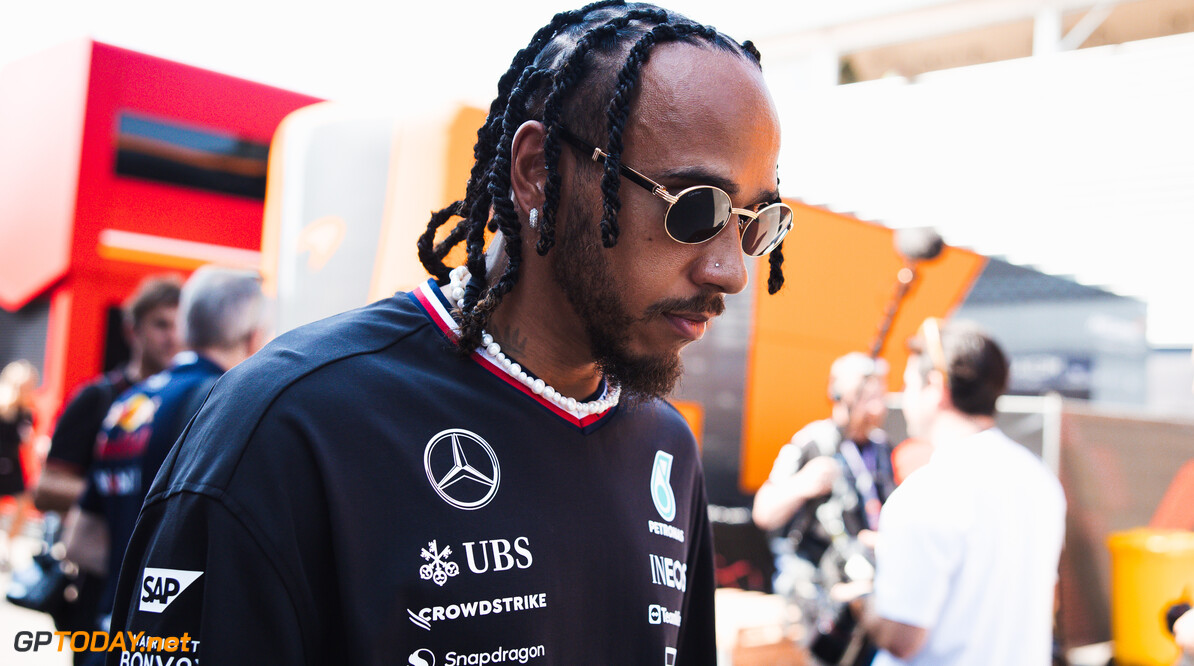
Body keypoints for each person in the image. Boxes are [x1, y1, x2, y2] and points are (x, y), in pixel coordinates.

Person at [105, 3, 794, 663]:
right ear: (538, 174)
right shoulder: (291, 428)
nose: (731, 270)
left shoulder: (666, 446)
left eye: (756, 222)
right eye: (695, 208)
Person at [68, 266, 266, 639]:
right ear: (253, 337)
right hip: (172, 638)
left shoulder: (130, 401)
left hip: (112, 630)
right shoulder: (223, 402)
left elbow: (81, 540)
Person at [857, 319, 1066, 665]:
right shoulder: (1040, 480)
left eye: (908, 383)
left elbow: (901, 639)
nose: (902, 396)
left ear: (936, 387)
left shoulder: (925, 493)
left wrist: (864, 595)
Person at [30, 275, 180, 656]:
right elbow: (46, 488)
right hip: (97, 580)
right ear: (133, 329)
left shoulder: (188, 401)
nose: (171, 337)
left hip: (158, 584)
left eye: (180, 325)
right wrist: (120, 491)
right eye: (161, 324)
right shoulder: (98, 398)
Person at [752, 352, 894, 664]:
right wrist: (803, 484)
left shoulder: (884, 449)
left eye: (880, 397)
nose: (876, 408)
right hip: (816, 591)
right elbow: (764, 512)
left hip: (863, 587)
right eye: (867, 398)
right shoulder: (812, 443)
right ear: (840, 395)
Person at [0, 360, 38, 569]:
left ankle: (7, 546)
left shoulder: (27, 411)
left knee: (23, 504)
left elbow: (25, 439)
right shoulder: (2, 406)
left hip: (13, 464)